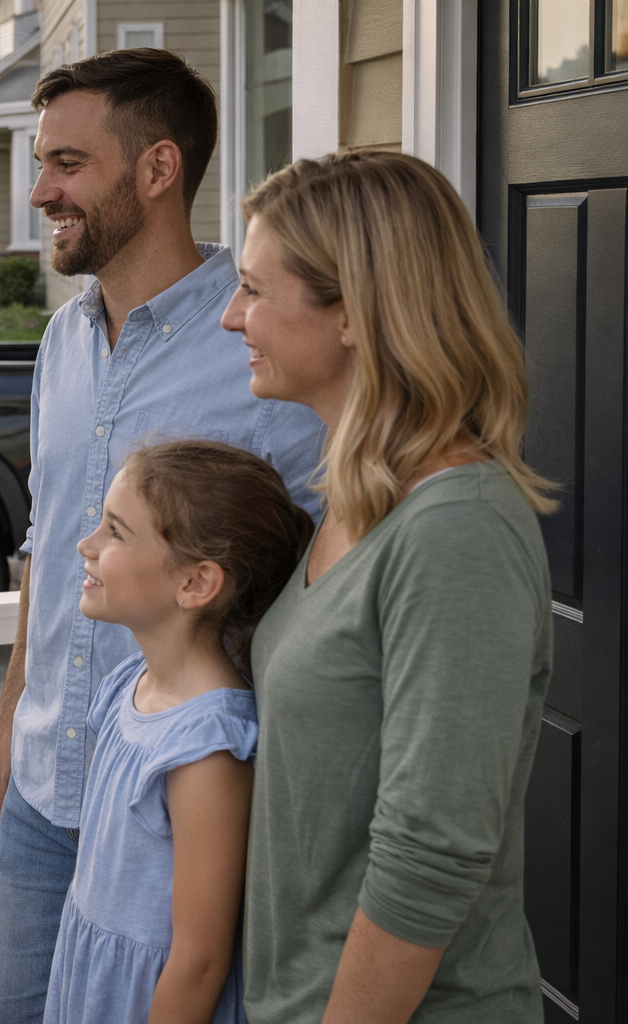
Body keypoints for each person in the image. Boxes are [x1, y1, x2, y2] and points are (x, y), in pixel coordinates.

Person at [0, 49, 324, 1022]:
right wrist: (9, 719)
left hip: (175, 800)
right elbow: (48, 540)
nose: (41, 190)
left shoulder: (255, 340)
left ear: (158, 170)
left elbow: (326, 564)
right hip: (45, 787)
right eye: (42, 164)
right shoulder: (61, 341)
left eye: (68, 165)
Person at [222, 150, 553, 1023]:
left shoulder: (458, 530)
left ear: (356, 313)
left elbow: (430, 855)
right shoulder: (354, 500)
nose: (231, 317)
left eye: (255, 289)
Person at [44, 440, 312, 1024]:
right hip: (95, 976)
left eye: (115, 532)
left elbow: (199, 958)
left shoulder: (207, 745)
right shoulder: (128, 684)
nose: (86, 546)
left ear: (195, 584)